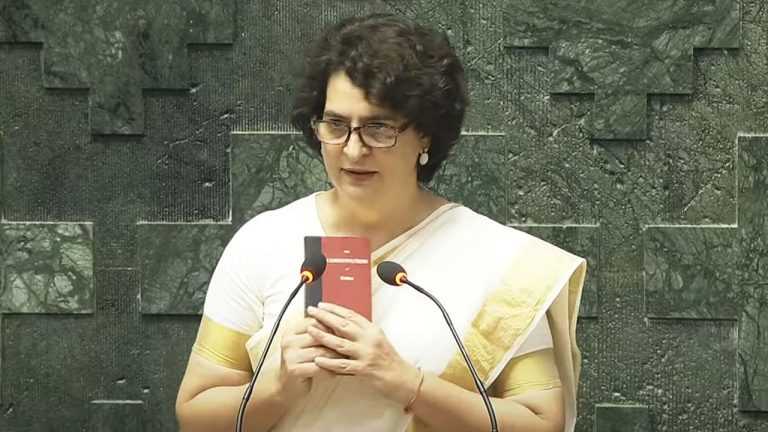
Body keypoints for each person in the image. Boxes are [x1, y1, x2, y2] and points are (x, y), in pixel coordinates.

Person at [176, 13, 586, 432]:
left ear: (426, 133)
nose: (352, 151)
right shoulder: (264, 241)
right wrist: (279, 387)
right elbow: (196, 414)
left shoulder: (500, 261)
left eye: (378, 128)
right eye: (335, 125)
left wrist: (405, 382)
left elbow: (541, 423)